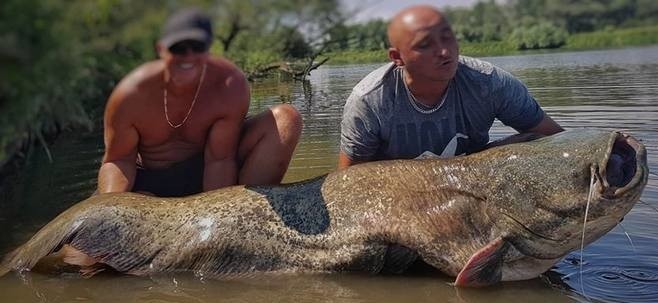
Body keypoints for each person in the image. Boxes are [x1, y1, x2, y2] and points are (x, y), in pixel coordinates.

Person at [98, 8, 303, 196]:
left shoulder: (230, 85)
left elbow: (219, 160)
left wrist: (216, 211)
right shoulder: (131, 94)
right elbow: (118, 160)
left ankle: (247, 207)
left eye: (197, 47)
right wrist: (113, 207)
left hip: (206, 167)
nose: (188, 56)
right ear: (161, 49)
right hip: (148, 179)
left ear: (208, 49)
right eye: (178, 48)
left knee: (286, 119)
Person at [338, 5, 563, 169]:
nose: (444, 52)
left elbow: (556, 140)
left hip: (468, 178)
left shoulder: (489, 83)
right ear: (398, 57)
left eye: (447, 38)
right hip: (399, 194)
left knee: (531, 141)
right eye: (425, 45)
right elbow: (348, 183)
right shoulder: (369, 101)